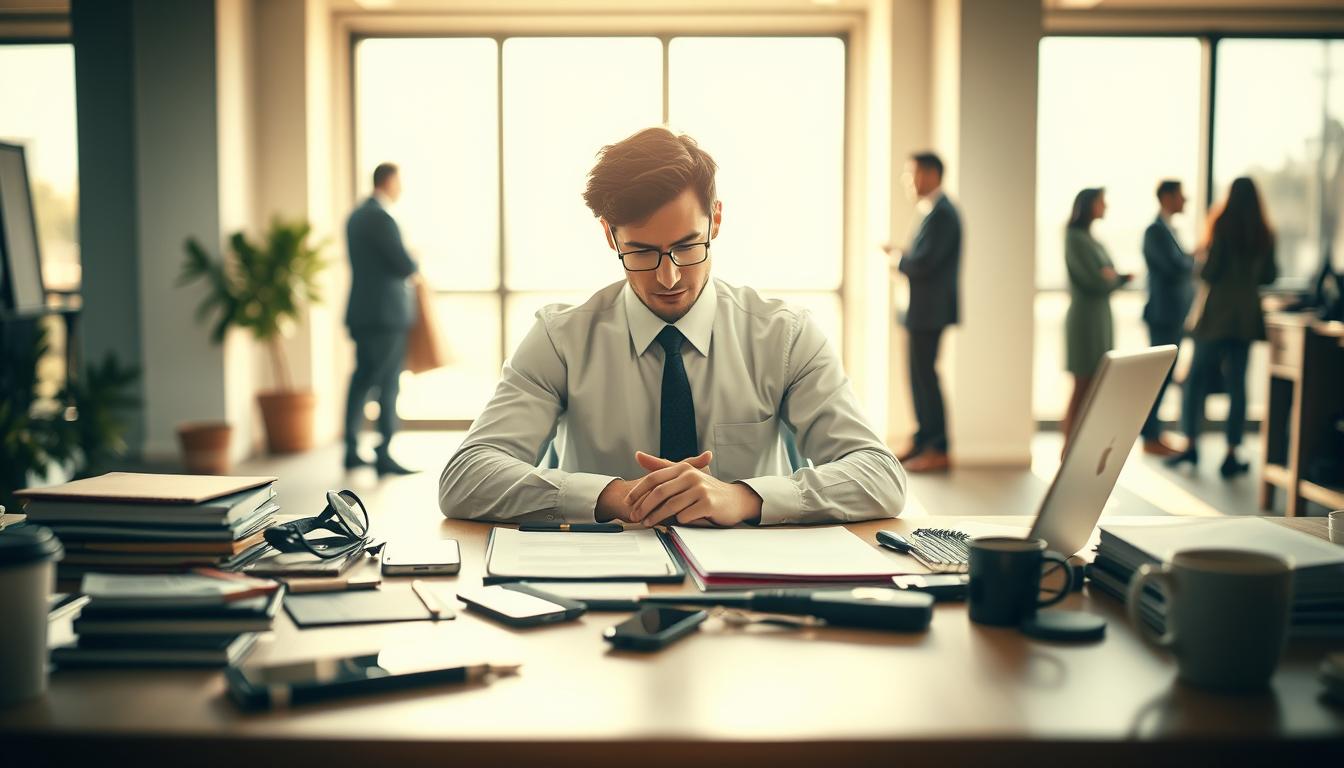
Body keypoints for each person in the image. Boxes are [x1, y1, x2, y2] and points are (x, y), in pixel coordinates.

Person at [439, 127, 905, 526]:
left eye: (687, 246)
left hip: (747, 582)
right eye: (641, 251)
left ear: (716, 220)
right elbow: (466, 477)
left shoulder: (785, 336)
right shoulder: (561, 339)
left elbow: (880, 476)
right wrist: (617, 496)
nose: (669, 277)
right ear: (609, 235)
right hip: (603, 577)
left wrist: (743, 497)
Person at [1167, 176, 1277, 478]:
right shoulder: (1265, 232)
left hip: (1215, 317)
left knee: (1195, 381)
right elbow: (1269, 275)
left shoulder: (1221, 226)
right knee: (1238, 385)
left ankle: (1190, 444)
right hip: (1244, 318)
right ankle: (1231, 452)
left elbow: (1209, 272)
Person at [343, 162, 418, 476]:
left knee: (362, 379)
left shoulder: (356, 216)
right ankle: (383, 452)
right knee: (387, 383)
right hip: (384, 315)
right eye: (398, 182)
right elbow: (404, 264)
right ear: (387, 181)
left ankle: (350, 448)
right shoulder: (380, 217)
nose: (400, 188)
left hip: (362, 311)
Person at [890, 151, 961, 474]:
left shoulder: (944, 214)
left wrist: (897, 259)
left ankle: (938, 447)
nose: (908, 180)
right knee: (919, 377)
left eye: (912, 173)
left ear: (931, 174)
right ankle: (922, 440)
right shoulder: (932, 211)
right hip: (921, 311)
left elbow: (924, 263)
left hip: (930, 311)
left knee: (926, 378)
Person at [1062, 187, 1131, 455]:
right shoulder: (1074, 238)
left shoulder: (1094, 240)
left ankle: (1083, 449)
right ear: (1089, 205)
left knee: (1097, 384)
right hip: (1084, 320)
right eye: (1102, 202)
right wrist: (1110, 277)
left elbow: (1109, 275)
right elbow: (1095, 280)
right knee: (1082, 383)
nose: (1106, 206)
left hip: (1100, 317)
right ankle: (1068, 449)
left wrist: (1110, 277)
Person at [1139, 179, 1195, 457]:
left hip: (1172, 315)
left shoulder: (1166, 230)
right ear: (1167, 197)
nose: (1185, 200)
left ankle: (1153, 434)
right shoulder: (1155, 231)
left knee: (1163, 375)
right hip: (1163, 316)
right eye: (1180, 195)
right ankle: (1150, 436)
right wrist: (1192, 259)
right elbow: (1176, 267)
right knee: (1158, 377)